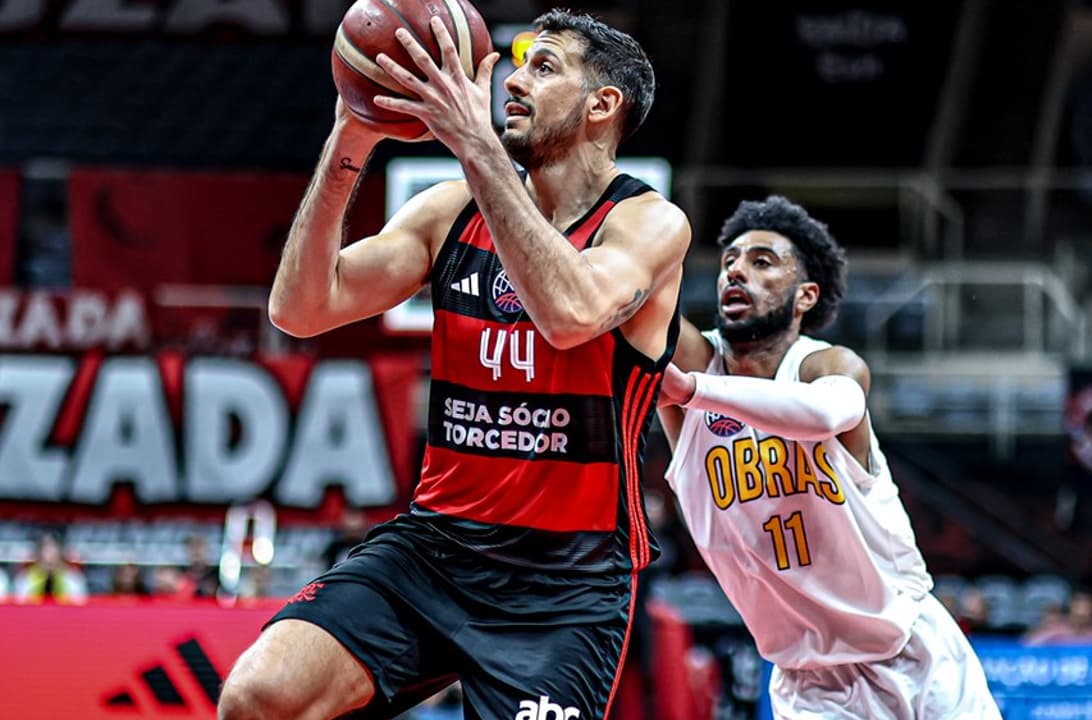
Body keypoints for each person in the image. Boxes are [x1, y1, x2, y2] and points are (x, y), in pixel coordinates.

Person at [218, 9, 688, 720]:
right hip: (435, 547)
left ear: (603, 104)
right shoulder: (449, 209)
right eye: (517, 64)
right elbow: (302, 308)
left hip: (565, 582)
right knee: (260, 698)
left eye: (544, 65)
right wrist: (353, 132)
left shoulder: (648, 223)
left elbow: (570, 315)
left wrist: (474, 145)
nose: (514, 79)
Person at [658, 196, 998, 719]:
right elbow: (633, 302)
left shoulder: (827, 366)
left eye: (762, 262)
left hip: (915, 654)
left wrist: (691, 390)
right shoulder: (696, 362)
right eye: (729, 261)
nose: (736, 272)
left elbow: (822, 414)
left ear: (805, 296)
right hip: (810, 684)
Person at [13, 531, 88, 604]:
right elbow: (19, 604)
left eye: (53, 548)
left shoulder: (74, 579)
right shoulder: (25, 579)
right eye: (46, 547)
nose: (49, 553)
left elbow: (80, 605)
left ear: (61, 551)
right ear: (38, 551)